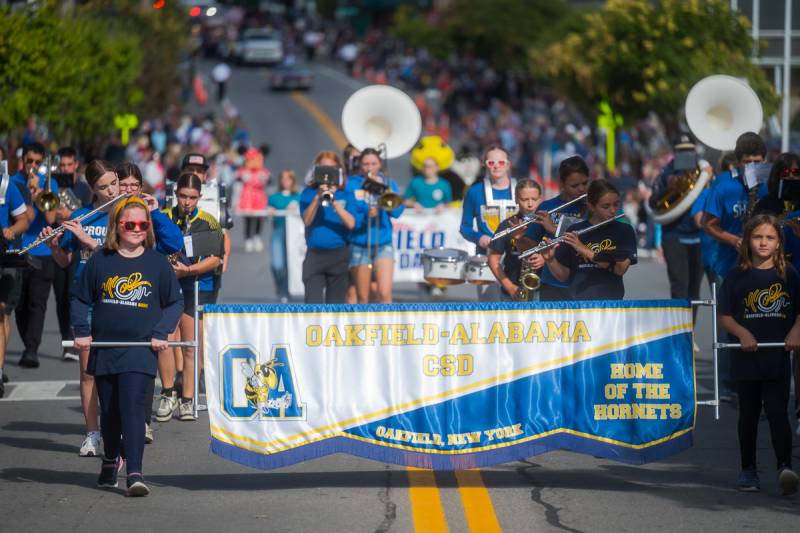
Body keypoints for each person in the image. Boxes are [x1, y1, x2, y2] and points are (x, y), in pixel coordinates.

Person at [45, 160, 182, 455]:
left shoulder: (127, 217)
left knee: (130, 369)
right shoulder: (83, 215)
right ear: (92, 188)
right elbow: (65, 261)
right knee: (88, 372)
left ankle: (130, 424)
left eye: (114, 184)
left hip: (123, 300)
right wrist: (56, 247)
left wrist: (155, 214)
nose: (112, 191)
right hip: (89, 300)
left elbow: (153, 249)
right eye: (104, 186)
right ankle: (92, 433)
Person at [72, 196, 183, 497]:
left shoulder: (157, 262)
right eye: (129, 224)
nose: (136, 229)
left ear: (148, 228)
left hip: (140, 349)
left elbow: (175, 302)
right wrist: (82, 331)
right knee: (110, 412)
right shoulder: (100, 260)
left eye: (142, 224)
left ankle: (135, 471)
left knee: (133, 408)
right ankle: (110, 459)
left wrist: (162, 331)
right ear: (117, 226)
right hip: (106, 348)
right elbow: (81, 299)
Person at [717, 214, 799, 495]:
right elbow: (724, 316)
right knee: (749, 414)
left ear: (779, 242)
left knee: (777, 412)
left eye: (770, 238)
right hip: (746, 357)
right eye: (758, 237)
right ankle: (748, 469)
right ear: (748, 241)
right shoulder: (736, 275)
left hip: (776, 356)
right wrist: (742, 333)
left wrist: (795, 331)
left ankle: (785, 466)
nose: (763, 243)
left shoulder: (789, 273)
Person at [160, 173, 224, 421]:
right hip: (164, 288)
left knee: (190, 343)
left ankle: (188, 399)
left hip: (192, 287)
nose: (187, 202)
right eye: (183, 196)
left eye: (192, 197)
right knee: (164, 340)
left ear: (200, 197)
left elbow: (216, 257)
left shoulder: (208, 221)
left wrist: (189, 270)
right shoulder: (163, 217)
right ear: (176, 195)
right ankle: (167, 392)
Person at [541, 180, 637, 300]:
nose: (613, 210)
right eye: (606, 206)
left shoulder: (624, 231)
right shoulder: (574, 230)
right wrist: (550, 260)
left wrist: (583, 249)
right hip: (578, 304)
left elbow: (620, 269)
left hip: (611, 305)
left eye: (615, 204)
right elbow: (564, 276)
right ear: (591, 206)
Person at [10, 142, 59, 368]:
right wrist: (28, 193)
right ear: (23, 161)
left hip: (43, 251)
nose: (33, 166)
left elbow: (50, 219)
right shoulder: (12, 182)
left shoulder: (51, 184)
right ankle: (28, 343)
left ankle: (32, 349)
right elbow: (26, 219)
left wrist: (38, 191)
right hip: (20, 250)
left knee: (37, 304)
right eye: (29, 161)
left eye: (38, 162)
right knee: (19, 304)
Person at [300, 151, 366, 303]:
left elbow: (351, 223)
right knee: (312, 304)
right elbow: (307, 220)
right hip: (315, 255)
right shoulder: (308, 193)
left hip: (338, 255)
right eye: (323, 167)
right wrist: (318, 196)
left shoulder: (345, 193)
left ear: (338, 170)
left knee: (335, 308)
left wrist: (334, 201)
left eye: (331, 168)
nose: (327, 172)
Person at [703, 132, 769, 280]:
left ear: (764, 161)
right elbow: (708, 225)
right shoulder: (723, 185)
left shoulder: (771, 185)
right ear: (738, 162)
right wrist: (734, 241)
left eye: (757, 162)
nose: (752, 166)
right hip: (727, 265)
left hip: (762, 266)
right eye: (747, 162)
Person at [651, 136, 706, 311]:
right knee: (679, 289)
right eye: (681, 150)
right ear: (674, 153)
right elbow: (653, 202)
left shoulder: (703, 172)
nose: (686, 154)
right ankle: (680, 333)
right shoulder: (665, 173)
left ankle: (690, 334)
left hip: (698, 237)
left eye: (689, 150)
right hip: (674, 237)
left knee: (694, 291)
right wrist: (669, 187)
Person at [526, 155, 590, 301]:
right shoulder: (547, 207)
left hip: (584, 281)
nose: (581, 189)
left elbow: (587, 238)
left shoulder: (592, 206)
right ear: (561, 184)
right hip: (552, 282)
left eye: (585, 183)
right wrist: (522, 241)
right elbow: (530, 239)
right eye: (574, 186)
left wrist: (554, 228)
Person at [460, 145, 518, 300]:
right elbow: (464, 227)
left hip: (517, 258)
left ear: (508, 164)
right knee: (490, 310)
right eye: (492, 163)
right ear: (484, 165)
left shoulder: (521, 188)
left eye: (501, 162)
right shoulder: (474, 192)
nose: (497, 166)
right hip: (487, 258)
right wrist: (479, 238)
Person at [347, 148, 405, 303]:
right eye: (366, 164)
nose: (370, 167)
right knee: (363, 296)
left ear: (380, 164)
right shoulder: (353, 184)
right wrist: (366, 215)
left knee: (384, 292)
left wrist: (383, 190)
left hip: (383, 243)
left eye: (373, 163)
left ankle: (387, 326)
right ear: (360, 165)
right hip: (360, 244)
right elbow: (350, 214)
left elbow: (397, 212)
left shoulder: (388, 181)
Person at [52, 147, 92, 362]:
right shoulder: (54, 185)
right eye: (62, 165)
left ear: (75, 165)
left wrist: (70, 214)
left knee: (73, 292)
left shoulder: (84, 189)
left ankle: (77, 335)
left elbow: (86, 213)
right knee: (60, 296)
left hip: (79, 246)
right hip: (60, 241)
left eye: (69, 165)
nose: (65, 169)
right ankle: (66, 339)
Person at [0, 163, 30, 397]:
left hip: (4, 255)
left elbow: (23, 220)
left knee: (1, 312)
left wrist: (11, 230)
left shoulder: (7, 186)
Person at [488, 179, 544, 300]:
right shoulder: (507, 225)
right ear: (516, 199)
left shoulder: (547, 224)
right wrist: (509, 287)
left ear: (540, 198)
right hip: (512, 291)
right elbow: (493, 259)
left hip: (542, 290)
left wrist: (545, 259)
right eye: (524, 200)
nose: (530, 204)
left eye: (534, 199)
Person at [267, 169, 300, 303]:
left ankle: (288, 290)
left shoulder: (298, 196)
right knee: (277, 264)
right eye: (283, 178)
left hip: (295, 233)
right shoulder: (274, 197)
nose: (285, 181)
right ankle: (280, 288)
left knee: (292, 262)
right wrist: (270, 210)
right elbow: (267, 210)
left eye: (289, 178)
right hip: (279, 231)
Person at [236, 147, 270, 253]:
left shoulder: (263, 172)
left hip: (259, 197)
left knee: (259, 218)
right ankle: (248, 239)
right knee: (248, 219)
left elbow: (268, 180)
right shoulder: (243, 171)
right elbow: (238, 179)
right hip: (247, 197)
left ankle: (257, 237)